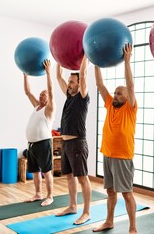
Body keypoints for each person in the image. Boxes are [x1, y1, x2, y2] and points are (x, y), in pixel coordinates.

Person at [91, 43, 138, 234]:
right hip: (108, 154)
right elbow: (100, 85)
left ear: (127, 96)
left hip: (123, 156)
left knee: (127, 193)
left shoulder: (130, 107)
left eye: (120, 93)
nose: (116, 95)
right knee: (110, 192)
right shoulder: (110, 104)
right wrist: (95, 62)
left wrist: (127, 61)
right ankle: (109, 221)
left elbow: (130, 84)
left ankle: (133, 228)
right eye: (116, 92)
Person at [55, 56, 92, 225]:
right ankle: (72, 206)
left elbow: (83, 74)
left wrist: (86, 55)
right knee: (69, 176)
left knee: (82, 178)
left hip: (78, 143)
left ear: (79, 84)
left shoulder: (82, 97)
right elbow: (58, 77)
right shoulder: (69, 97)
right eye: (69, 81)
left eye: (72, 82)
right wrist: (59, 58)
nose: (69, 84)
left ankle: (87, 212)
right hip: (66, 143)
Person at [23, 59, 55, 207]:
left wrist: (48, 73)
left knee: (47, 172)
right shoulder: (37, 107)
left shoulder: (49, 110)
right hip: (31, 145)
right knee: (35, 172)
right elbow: (27, 92)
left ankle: (50, 196)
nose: (41, 96)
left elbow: (52, 91)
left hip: (44, 144)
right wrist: (25, 75)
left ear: (48, 98)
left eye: (44, 95)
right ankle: (38, 193)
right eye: (41, 94)